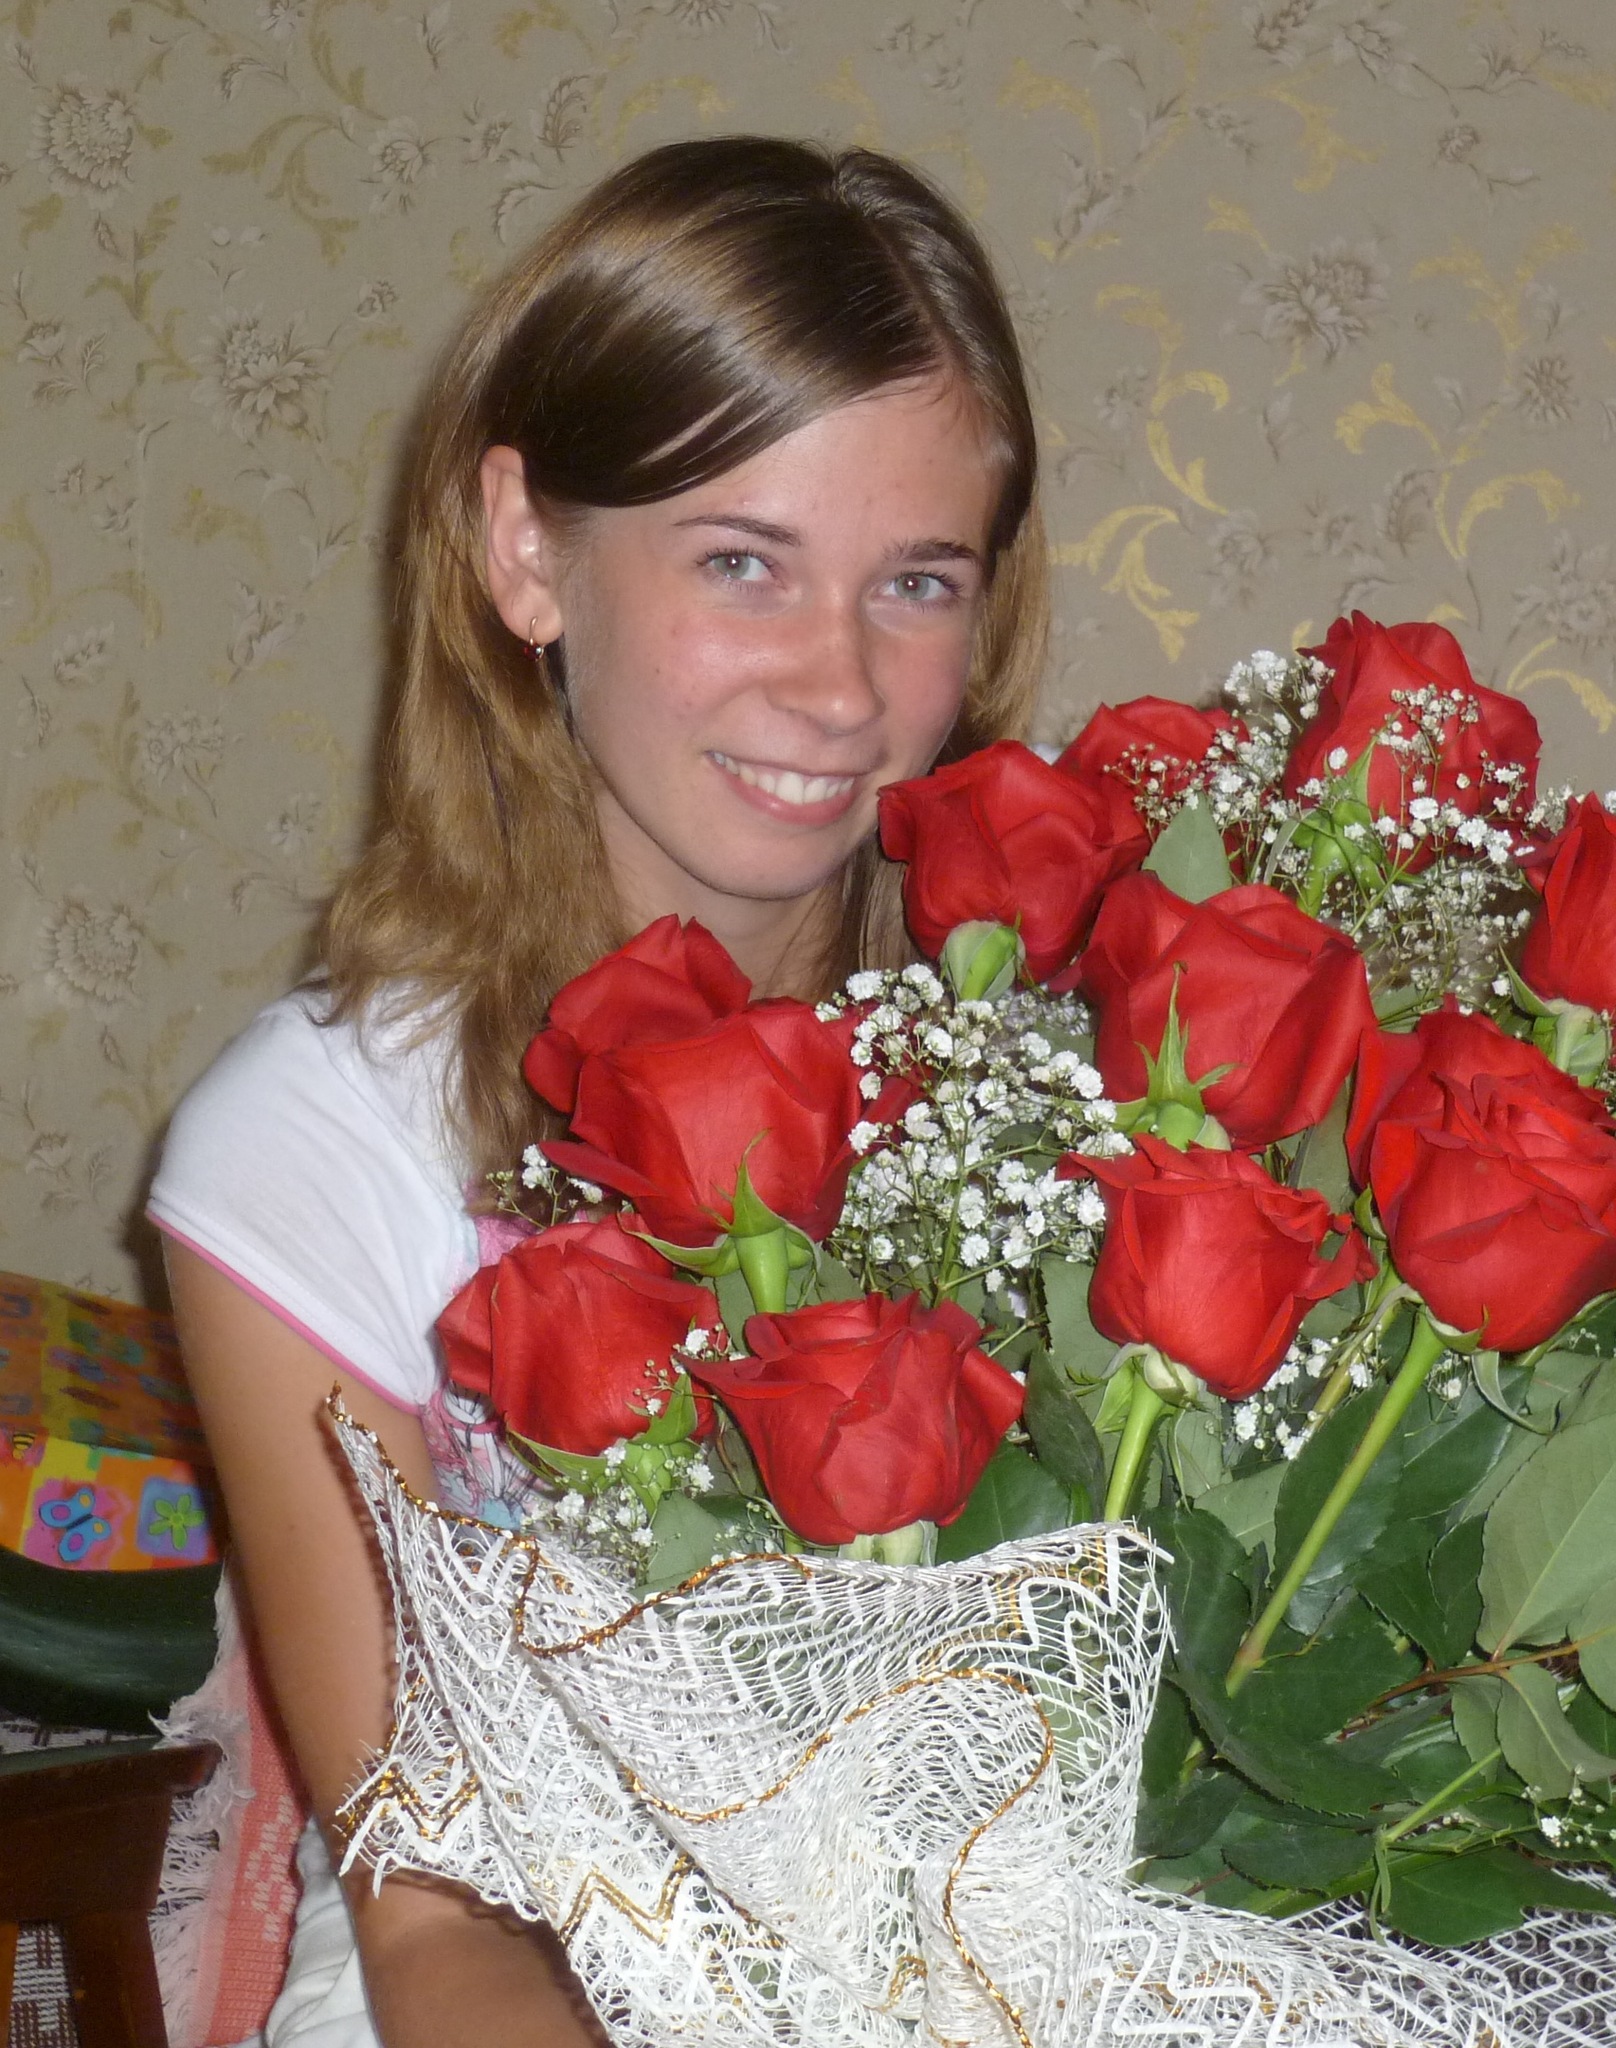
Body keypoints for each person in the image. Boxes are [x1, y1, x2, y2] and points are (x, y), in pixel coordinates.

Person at [146, 135, 1044, 2045]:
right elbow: (434, 1920)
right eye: (743, 562)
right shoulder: (316, 1143)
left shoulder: (1056, 1077)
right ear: (528, 552)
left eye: (915, 581)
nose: (840, 687)